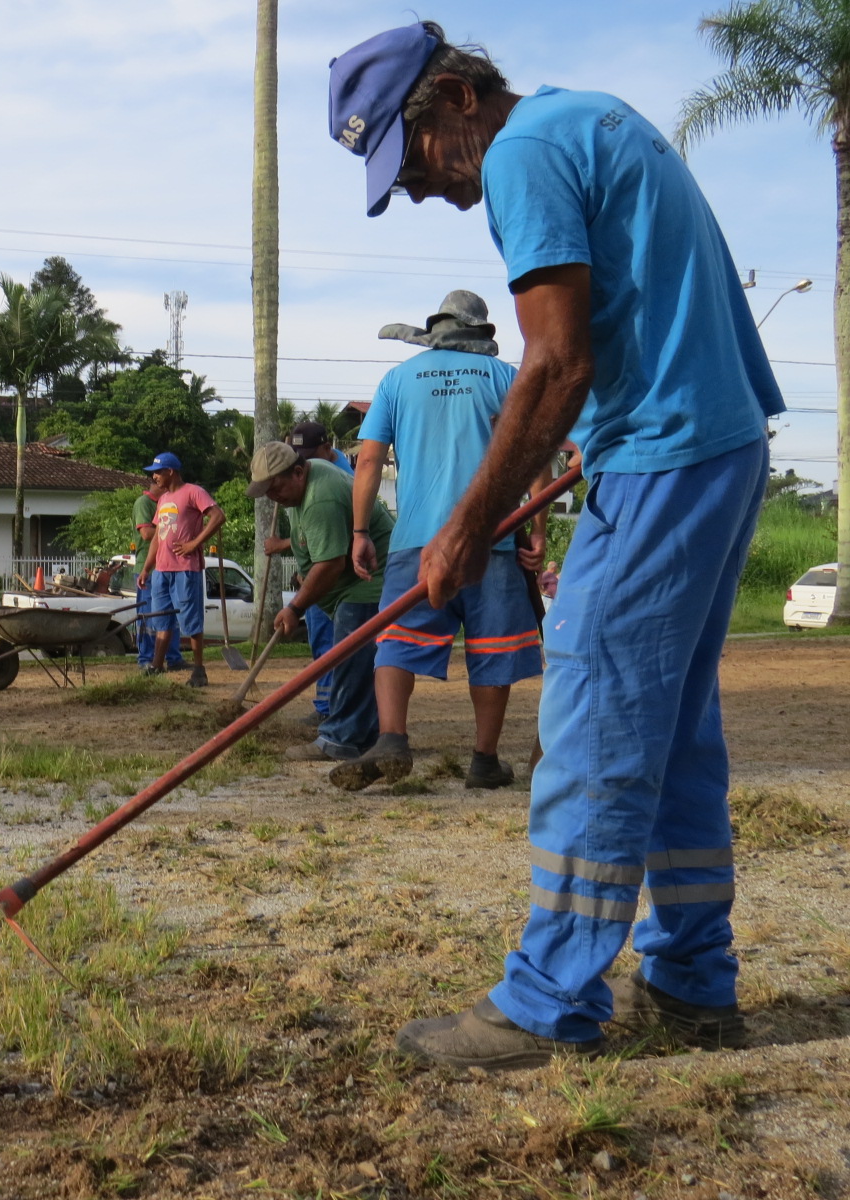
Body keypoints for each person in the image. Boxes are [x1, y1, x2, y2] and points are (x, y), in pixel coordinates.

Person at [329, 21, 781, 1068]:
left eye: (414, 159)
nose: (421, 191)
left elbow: (553, 362)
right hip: (711, 444)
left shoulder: (523, 153)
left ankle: (547, 1004)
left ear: (454, 97)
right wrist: (590, 440)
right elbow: (615, 334)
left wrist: (464, 527)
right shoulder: (587, 117)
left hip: (666, 455)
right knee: (668, 732)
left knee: (593, 717)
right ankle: (691, 980)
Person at [337, 290, 548, 793]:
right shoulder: (503, 377)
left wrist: (361, 532)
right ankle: (484, 761)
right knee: (492, 648)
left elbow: (367, 461)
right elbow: (537, 449)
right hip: (489, 539)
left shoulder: (398, 379)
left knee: (395, 640)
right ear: (480, 332)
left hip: (416, 540)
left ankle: (392, 738)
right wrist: (537, 527)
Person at [249, 443, 394, 763]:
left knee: (348, 660)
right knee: (357, 663)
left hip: (368, 582)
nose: (274, 498)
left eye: (276, 488)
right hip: (352, 583)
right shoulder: (303, 484)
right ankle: (366, 736)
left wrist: (295, 607)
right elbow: (317, 548)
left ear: (298, 472)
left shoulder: (320, 498)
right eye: (268, 492)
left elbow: (330, 565)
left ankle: (340, 739)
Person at [265, 421, 353, 727]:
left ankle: (340, 716)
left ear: (327, 449)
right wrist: (304, 569)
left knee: (342, 648)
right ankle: (326, 705)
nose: (303, 458)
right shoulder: (294, 486)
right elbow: (310, 537)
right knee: (322, 645)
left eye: (308, 453)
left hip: (346, 581)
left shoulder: (336, 479)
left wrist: (296, 604)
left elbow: (330, 544)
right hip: (318, 576)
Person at [136, 452, 224, 688]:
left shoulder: (194, 492)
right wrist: (147, 568)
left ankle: (198, 669)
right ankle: (156, 665)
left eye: (157, 472)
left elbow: (218, 516)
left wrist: (195, 543)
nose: (154, 477)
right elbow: (156, 538)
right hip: (161, 570)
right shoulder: (163, 500)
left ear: (170, 471)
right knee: (162, 619)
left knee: (191, 620)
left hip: (185, 569)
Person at [132, 480, 185, 674]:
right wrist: (177, 531)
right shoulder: (144, 503)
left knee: (169, 616)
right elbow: (146, 533)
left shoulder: (168, 502)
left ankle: (173, 658)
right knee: (149, 617)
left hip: (167, 567)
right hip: (148, 568)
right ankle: (146, 658)